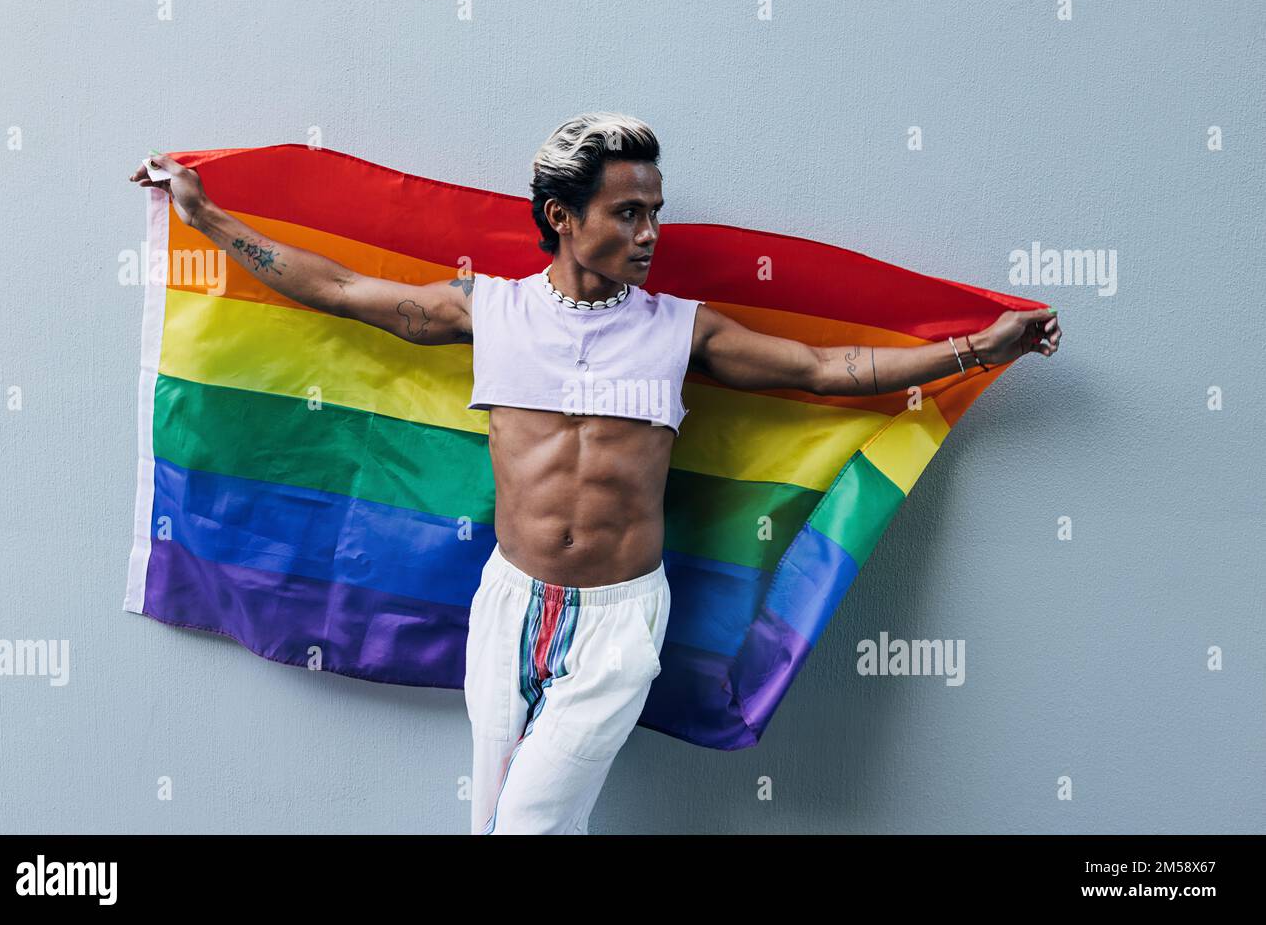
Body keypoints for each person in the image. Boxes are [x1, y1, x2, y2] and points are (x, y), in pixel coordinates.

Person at [129, 112, 1062, 834]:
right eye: (629, 212)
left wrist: (979, 346)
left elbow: (825, 372)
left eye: (655, 211)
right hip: (506, 606)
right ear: (562, 219)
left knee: (528, 824)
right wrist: (207, 216)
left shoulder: (678, 329)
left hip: (619, 619)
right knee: (510, 818)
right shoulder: (487, 310)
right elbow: (336, 289)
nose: (651, 231)